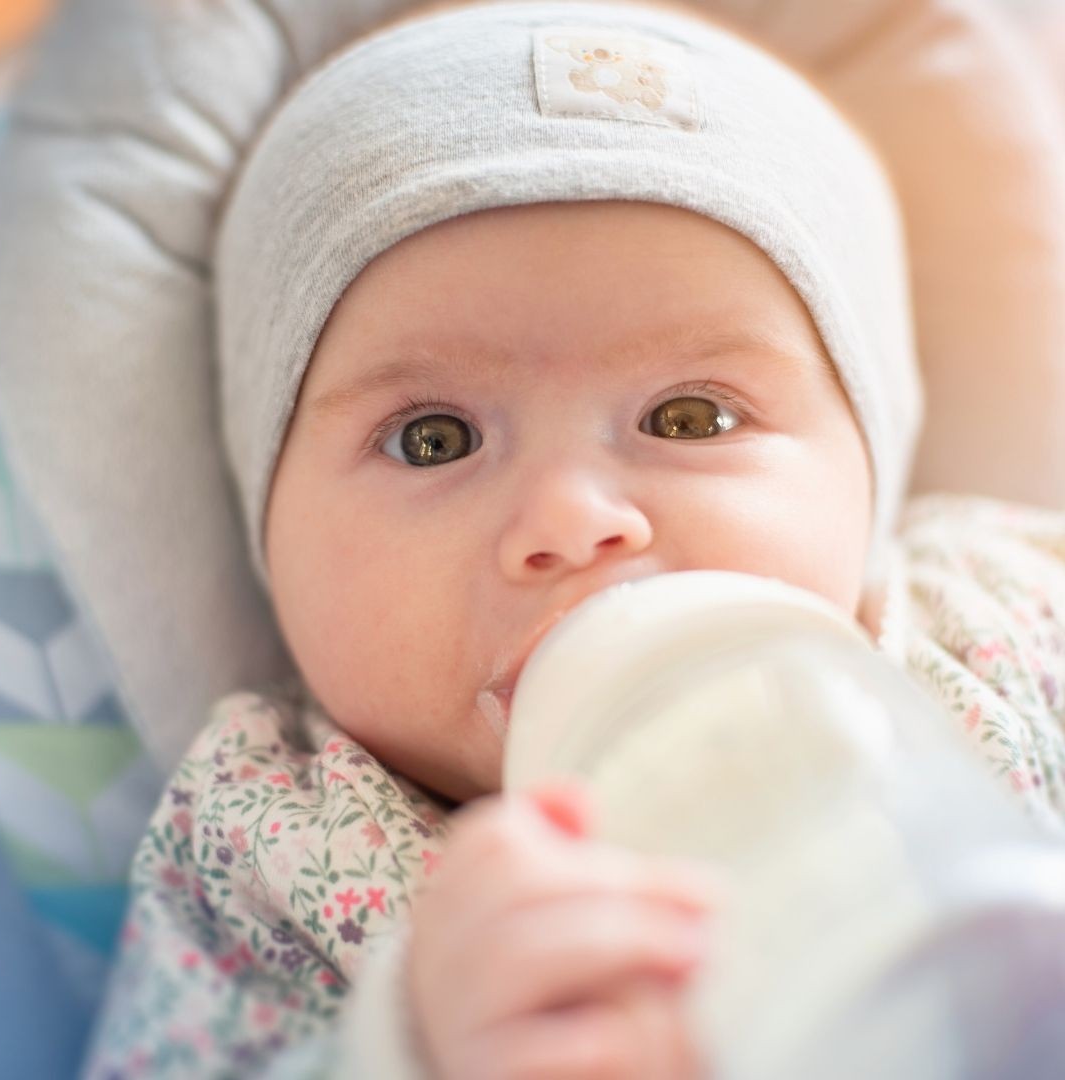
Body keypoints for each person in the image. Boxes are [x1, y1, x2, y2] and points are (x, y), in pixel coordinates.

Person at [82, 1, 1065, 1076]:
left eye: (691, 419)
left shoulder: (1006, 615)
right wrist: (412, 1048)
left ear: (872, 471)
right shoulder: (273, 831)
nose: (571, 519)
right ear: (267, 525)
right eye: (433, 438)